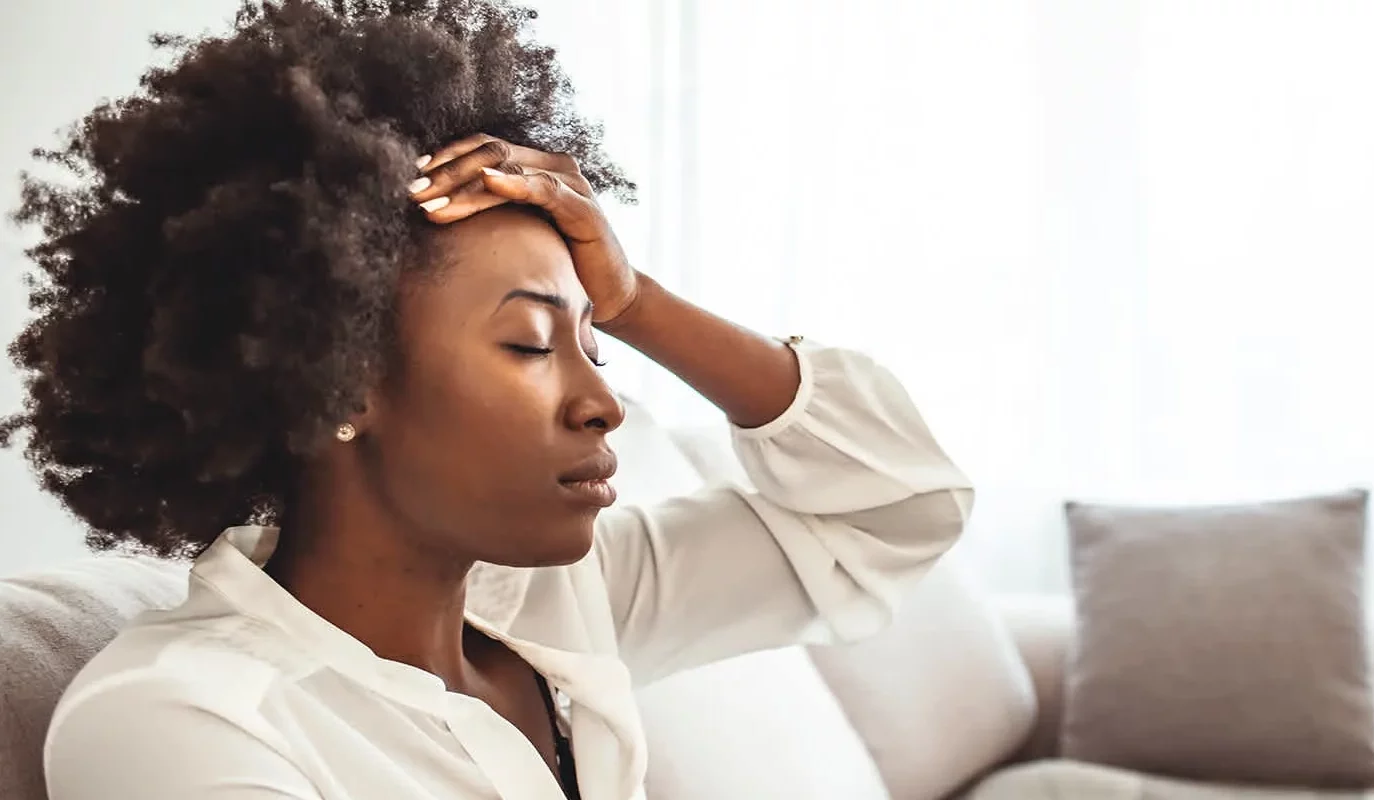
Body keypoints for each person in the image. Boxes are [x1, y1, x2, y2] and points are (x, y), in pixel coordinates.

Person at [2, 1, 972, 797]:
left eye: (597, 341)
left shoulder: (560, 604)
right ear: (339, 379)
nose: (604, 401)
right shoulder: (184, 721)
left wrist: (642, 303)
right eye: (532, 342)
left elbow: (892, 509)